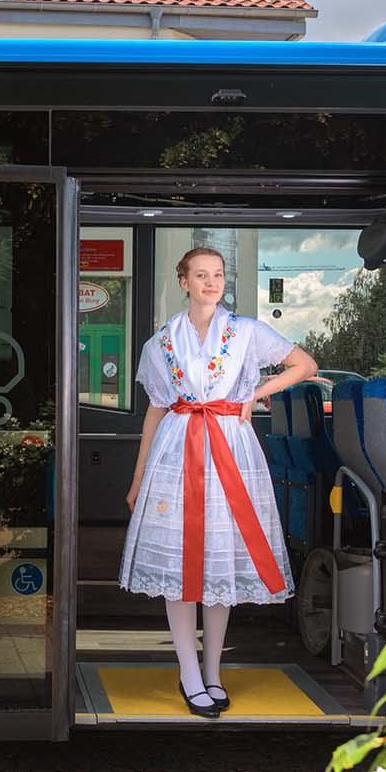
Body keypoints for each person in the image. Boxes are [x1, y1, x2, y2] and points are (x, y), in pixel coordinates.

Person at [120, 247, 320, 717]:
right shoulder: (162, 343)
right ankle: (190, 673)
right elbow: (155, 411)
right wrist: (138, 476)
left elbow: (305, 365)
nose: (212, 282)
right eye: (201, 275)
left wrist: (256, 392)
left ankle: (212, 671)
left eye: (218, 275)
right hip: (178, 450)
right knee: (181, 567)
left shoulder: (247, 332)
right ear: (183, 281)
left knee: (219, 566)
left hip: (230, 447)